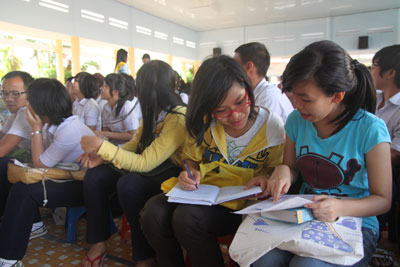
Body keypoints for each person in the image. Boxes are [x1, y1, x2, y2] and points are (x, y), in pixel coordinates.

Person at [251, 40, 392, 267]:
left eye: (306, 99)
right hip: (305, 215)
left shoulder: (370, 129)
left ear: (337, 96)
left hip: (356, 223)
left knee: (306, 265)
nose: (296, 105)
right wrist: (282, 172)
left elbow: (383, 200)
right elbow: (292, 168)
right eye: (292, 95)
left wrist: (339, 207)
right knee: (261, 259)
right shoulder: (298, 121)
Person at [140, 55, 286, 267]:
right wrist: (189, 173)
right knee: (153, 211)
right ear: (207, 108)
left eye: (240, 101)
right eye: (221, 110)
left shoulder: (269, 125)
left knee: (187, 218)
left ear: (248, 88)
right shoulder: (202, 122)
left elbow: (279, 169)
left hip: (244, 205)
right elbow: (190, 160)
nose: (235, 116)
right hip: (206, 194)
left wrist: (267, 179)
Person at [78, 60, 187, 267]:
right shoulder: (153, 110)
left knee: (129, 185)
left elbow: (145, 162)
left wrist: (103, 147)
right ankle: (98, 243)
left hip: (170, 173)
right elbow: (136, 144)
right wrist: (104, 156)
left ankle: (144, 256)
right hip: (149, 168)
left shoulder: (178, 117)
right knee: (96, 175)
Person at [0, 78, 95, 267]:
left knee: (24, 190)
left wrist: (35, 129)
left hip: (85, 185)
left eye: (29, 102)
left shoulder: (69, 129)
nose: (26, 106)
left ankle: (8, 258)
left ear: (39, 106)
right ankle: (30, 224)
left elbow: (40, 164)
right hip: (66, 176)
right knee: (6, 167)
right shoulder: (54, 124)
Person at [234, 42, 293, 122]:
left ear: (248, 67)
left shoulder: (268, 98)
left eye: (235, 66)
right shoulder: (258, 93)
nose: (231, 71)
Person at [95, 73, 141, 144]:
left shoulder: (126, 106)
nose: (101, 88)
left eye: (105, 86)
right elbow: (106, 130)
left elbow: (133, 135)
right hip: (114, 145)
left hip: (129, 148)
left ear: (115, 92)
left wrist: (104, 134)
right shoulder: (106, 107)